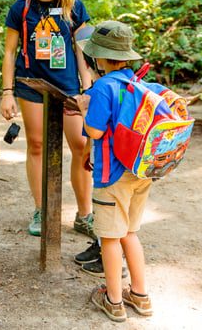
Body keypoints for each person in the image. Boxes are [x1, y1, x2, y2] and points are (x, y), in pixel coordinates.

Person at [0, 0, 95, 238]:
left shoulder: (75, 6)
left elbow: (83, 50)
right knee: (38, 145)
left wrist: (88, 88)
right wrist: (7, 93)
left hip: (67, 88)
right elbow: (9, 52)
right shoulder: (20, 9)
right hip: (31, 86)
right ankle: (43, 210)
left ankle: (84, 215)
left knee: (81, 147)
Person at [75, 21, 155, 322]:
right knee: (130, 233)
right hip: (141, 173)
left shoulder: (103, 87)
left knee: (109, 238)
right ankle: (141, 295)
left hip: (112, 177)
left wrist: (85, 108)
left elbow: (94, 132)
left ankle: (113, 300)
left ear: (98, 58)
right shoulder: (139, 83)